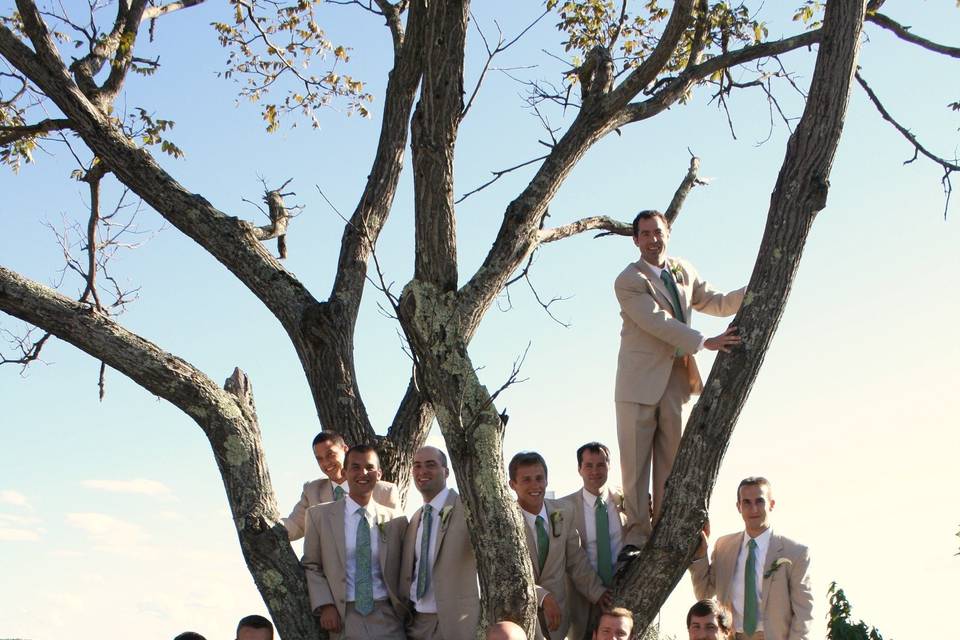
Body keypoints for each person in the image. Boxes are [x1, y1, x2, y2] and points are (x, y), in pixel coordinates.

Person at [614, 209, 745, 549]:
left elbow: (716, 302)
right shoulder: (629, 281)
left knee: (671, 462)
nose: (652, 239)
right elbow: (656, 322)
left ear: (667, 232)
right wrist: (705, 342)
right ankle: (637, 536)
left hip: (675, 379)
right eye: (645, 234)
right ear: (636, 240)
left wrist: (755, 288)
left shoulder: (683, 270)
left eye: (657, 232)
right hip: (637, 384)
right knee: (636, 466)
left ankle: (666, 529)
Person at [301, 444, 409, 639]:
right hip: (343, 618)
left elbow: (406, 566)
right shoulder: (319, 516)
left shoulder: (396, 521)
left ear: (379, 473)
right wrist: (325, 605)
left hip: (387, 617)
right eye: (355, 467)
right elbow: (311, 565)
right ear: (345, 472)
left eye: (369, 467)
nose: (363, 473)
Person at [689, 478, 813, 640]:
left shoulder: (795, 552)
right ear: (738, 507)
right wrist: (700, 555)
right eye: (746, 502)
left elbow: (804, 612)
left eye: (759, 501)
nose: (753, 508)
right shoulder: (723, 547)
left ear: (771, 504)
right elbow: (704, 592)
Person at [509, 451, 609, 640]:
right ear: (512, 484)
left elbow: (576, 560)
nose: (535, 485)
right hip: (520, 620)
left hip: (557, 621)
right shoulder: (505, 522)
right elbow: (510, 574)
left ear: (547, 480)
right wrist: (543, 597)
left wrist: (598, 592)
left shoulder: (563, 512)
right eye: (526, 480)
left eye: (539, 478)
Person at [400, 446, 481, 640]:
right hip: (417, 622)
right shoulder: (415, 519)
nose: (422, 471)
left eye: (431, 465)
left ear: (446, 471)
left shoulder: (467, 509)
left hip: (456, 624)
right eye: (417, 466)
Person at [561, 442, 627, 640]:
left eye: (601, 464)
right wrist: (595, 591)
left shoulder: (626, 500)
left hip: (621, 592)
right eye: (589, 465)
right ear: (579, 469)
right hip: (581, 597)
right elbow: (571, 557)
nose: (595, 471)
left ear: (609, 466)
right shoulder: (565, 508)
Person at [283, 431, 400, 541]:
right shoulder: (312, 491)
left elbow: (399, 535)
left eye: (330, 455)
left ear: (345, 450)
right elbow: (294, 526)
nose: (326, 463)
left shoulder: (384, 491)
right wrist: (266, 523)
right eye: (320, 459)